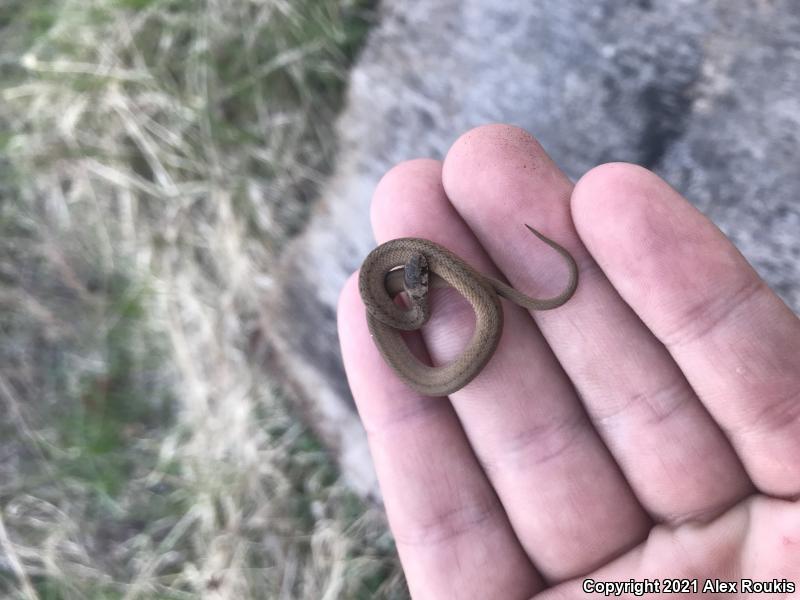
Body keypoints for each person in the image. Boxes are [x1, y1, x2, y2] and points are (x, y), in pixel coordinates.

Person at [337, 124, 800, 599]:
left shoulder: (408, 292)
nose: (423, 271)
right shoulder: (398, 304)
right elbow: (411, 308)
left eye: (425, 273)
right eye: (422, 277)